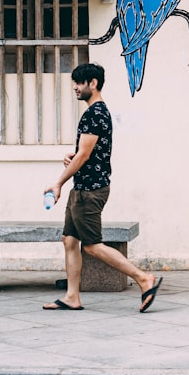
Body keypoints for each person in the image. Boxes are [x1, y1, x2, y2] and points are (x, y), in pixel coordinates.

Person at [43, 62, 161, 312]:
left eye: (78, 82)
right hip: (83, 187)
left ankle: (143, 278)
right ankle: (72, 297)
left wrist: (58, 182)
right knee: (69, 239)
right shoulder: (96, 112)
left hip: (89, 191)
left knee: (92, 245)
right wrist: (72, 158)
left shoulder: (95, 113)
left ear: (92, 83)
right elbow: (84, 154)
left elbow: (84, 156)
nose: (74, 87)